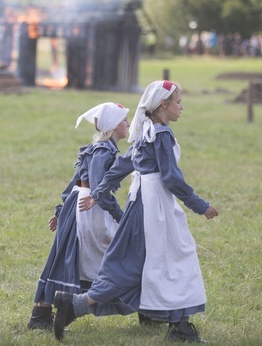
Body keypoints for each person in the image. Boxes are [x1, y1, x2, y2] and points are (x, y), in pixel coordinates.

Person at [53, 80, 219, 342]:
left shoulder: (147, 130)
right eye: (177, 102)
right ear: (163, 105)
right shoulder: (160, 134)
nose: (181, 107)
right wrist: (200, 204)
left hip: (140, 204)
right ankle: (179, 327)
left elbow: (123, 164)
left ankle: (75, 306)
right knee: (169, 260)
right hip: (154, 208)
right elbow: (171, 178)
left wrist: (99, 191)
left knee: (146, 263)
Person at [27, 102, 129, 330]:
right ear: (113, 126)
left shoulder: (97, 148)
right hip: (88, 210)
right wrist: (120, 216)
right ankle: (52, 313)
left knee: (71, 259)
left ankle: (49, 313)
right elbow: (97, 187)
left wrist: (61, 210)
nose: (128, 124)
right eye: (124, 120)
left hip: (81, 205)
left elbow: (73, 184)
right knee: (93, 258)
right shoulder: (102, 151)